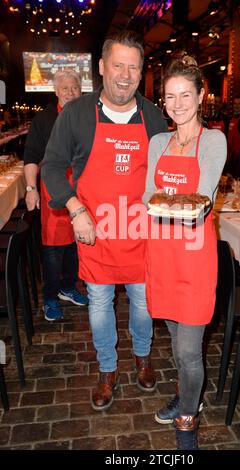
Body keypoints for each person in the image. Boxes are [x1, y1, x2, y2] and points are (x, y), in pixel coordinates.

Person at [41, 31, 168, 411]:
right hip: (94, 230)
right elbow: (51, 167)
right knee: (99, 303)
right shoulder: (77, 113)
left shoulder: (153, 116)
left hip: (139, 232)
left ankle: (142, 357)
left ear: (142, 72)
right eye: (118, 65)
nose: (125, 75)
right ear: (101, 67)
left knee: (142, 302)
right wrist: (75, 209)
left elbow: (165, 172)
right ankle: (108, 368)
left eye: (134, 67)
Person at [143, 56, 226, 450]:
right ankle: (185, 391)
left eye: (185, 95)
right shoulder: (158, 142)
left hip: (194, 257)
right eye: (170, 96)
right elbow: (147, 194)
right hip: (161, 255)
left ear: (200, 95)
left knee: (190, 350)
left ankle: (188, 418)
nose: (177, 104)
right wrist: (164, 202)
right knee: (176, 343)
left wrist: (166, 202)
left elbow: (203, 198)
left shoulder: (214, 140)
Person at [24, 69, 88, 321]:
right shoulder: (45, 119)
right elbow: (31, 156)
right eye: (65, 88)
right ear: (56, 91)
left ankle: (68, 286)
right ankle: (50, 296)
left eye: (75, 87)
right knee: (53, 249)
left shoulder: (87, 116)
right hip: (54, 191)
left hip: (82, 191)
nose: (71, 93)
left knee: (76, 243)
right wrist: (30, 189)